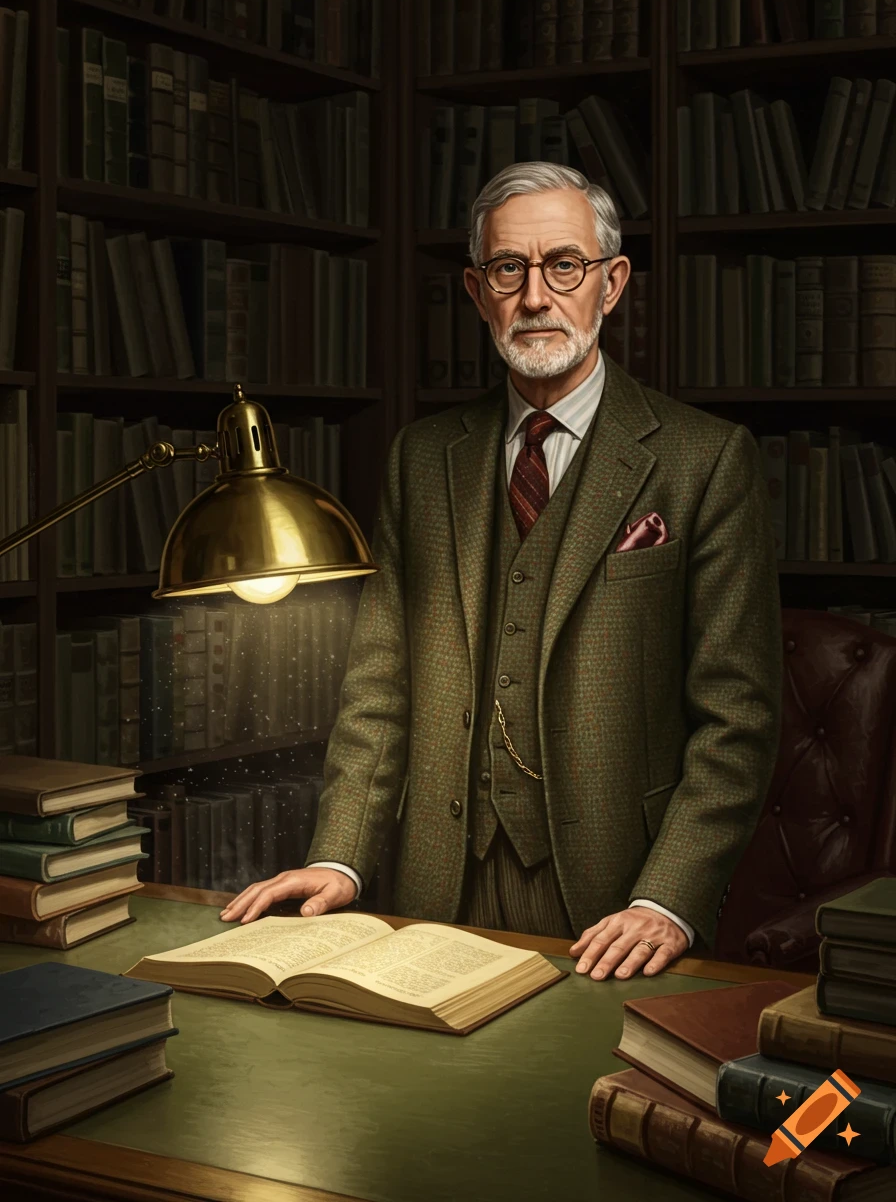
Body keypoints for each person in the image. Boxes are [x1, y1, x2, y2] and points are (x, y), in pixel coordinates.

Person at [221, 162, 782, 982]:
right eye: (508, 269)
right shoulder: (422, 458)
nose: (536, 297)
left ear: (612, 283)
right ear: (477, 292)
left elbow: (738, 721)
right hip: (438, 886)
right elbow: (379, 687)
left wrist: (666, 900)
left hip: (617, 900)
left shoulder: (706, 460)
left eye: (565, 265)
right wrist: (340, 857)